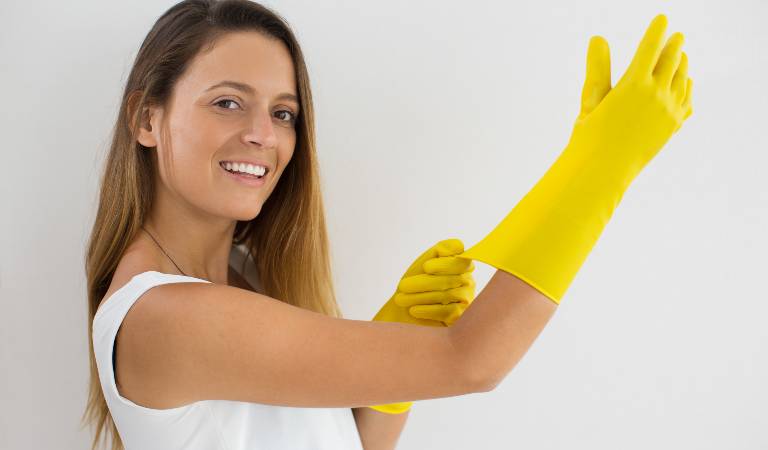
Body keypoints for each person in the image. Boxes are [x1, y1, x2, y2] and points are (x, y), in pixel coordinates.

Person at [80, 0, 693, 448]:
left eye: (284, 113)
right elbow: (473, 362)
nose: (263, 134)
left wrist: (393, 356)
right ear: (146, 119)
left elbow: (351, 445)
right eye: (227, 102)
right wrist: (603, 168)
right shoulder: (165, 317)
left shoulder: (245, 275)